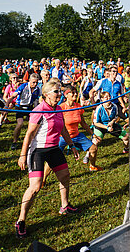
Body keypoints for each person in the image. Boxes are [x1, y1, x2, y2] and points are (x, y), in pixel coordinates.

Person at [15, 79, 80, 239]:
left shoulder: (58, 108)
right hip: (38, 151)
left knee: (65, 175)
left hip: (53, 148)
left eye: (60, 91)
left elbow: (63, 128)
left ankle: (64, 206)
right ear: (46, 94)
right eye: (56, 91)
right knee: (35, 187)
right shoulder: (39, 110)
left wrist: (71, 145)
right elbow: (29, 134)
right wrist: (23, 155)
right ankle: (21, 220)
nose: (60, 94)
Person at [43, 86, 94, 182]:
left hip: (76, 135)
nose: (75, 94)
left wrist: (92, 133)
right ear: (66, 95)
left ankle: (93, 166)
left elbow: (83, 123)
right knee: (52, 160)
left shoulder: (78, 106)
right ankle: (43, 179)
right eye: (72, 92)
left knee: (93, 148)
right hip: (62, 137)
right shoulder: (61, 107)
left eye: (76, 92)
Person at [90, 91, 129, 170]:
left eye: (109, 97)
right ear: (101, 99)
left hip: (111, 125)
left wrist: (112, 122)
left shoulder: (114, 106)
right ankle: (90, 157)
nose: (108, 99)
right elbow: (95, 123)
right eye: (106, 97)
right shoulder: (99, 108)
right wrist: (106, 127)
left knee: (126, 136)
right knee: (96, 141)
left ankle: (126, 150)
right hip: (100, 126)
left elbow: (116, 117)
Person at [7, 74, 41, 150]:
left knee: (34, 125)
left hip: (29, 108)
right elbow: (12, 96)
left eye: (36, 82)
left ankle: (31, 141)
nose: (35, 84)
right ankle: (14, 142)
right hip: (19, 107)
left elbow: (42, 97)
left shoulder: (37, 89)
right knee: (20, 124)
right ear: (29, 81)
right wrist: (6, 105)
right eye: (33, 82)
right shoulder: (23, 86)